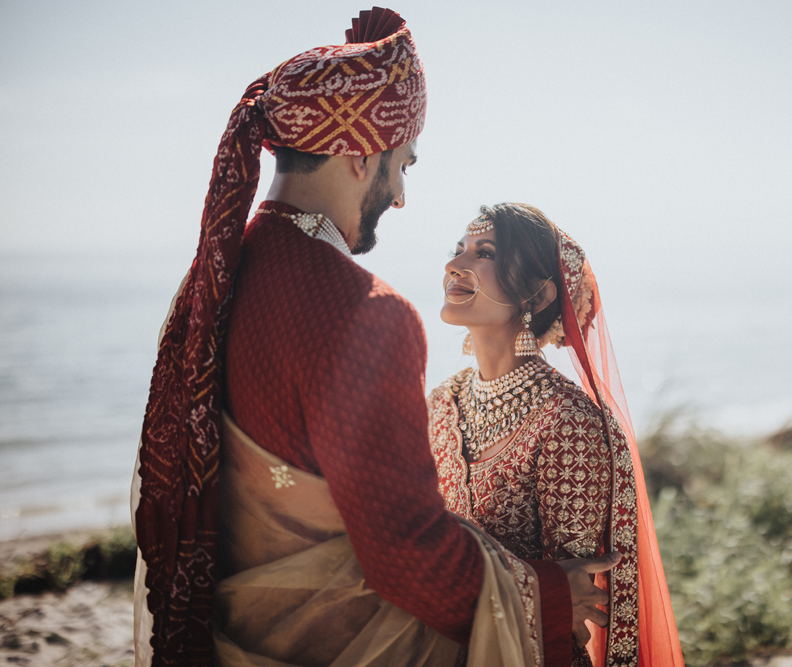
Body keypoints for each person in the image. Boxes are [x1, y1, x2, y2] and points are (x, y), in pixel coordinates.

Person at [130, 10, 618, 667]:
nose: (403, 194)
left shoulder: (217, 276)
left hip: (228, 641)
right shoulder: (365, 313)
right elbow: (408, 555)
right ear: (361, 154)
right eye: (402, 165)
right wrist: (548, 595)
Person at [428, 203, 686, 667]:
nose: (455, 265)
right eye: (458, 250)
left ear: (539, 295)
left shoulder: (568, 421)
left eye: (483, 253)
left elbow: (573, 602)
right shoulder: (441, 403)